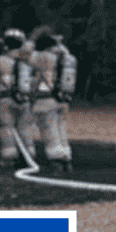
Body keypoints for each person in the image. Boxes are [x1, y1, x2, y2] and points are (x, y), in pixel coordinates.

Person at [0, 28, 35, 167]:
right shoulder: (28, 62)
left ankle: (8, 157)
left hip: (5, 100)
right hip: (25, 101)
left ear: (5, 45)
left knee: (6, 127)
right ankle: (28, 153)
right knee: (25, 127)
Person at [28, 27, 74, 173]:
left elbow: (24, 55)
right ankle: (66, 159)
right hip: (63, 100)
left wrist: (32, 38)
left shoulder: (43, 57)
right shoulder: (67, 57)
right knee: (60, 129)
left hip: (46, 100)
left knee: (49, 130)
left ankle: (56, 161)